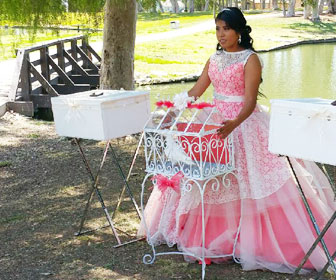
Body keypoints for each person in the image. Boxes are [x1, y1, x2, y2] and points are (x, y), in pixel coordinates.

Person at [138, 7, 336, 274]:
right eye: (218, 29)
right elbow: (197, 90)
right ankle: (216, 236)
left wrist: (234, 124)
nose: (221, 34)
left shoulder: (250, 59)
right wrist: (176, 107)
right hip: (215, 122)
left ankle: (256, 240)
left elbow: (250, 100)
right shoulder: (214, 59)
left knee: (250, 180)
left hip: (243, 123)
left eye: (226, 29)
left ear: (239, 31)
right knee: (210, 179)